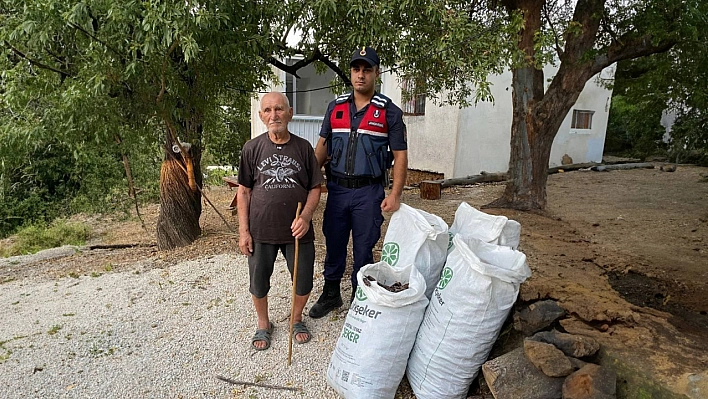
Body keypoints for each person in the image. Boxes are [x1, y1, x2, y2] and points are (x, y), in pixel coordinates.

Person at [309, 46, 408, 319]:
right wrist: (307, 182)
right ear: (351, 73)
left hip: (369, 191)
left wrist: (395, 193)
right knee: (334, 243)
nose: (361, 75)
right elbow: (322, 147)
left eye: (367, 69)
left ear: (377, 73)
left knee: (364, 246)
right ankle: (331, 293)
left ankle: (360, 295)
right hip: (338, 190)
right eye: (356, 69)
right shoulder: (335, 107)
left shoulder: (390, 112)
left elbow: (400, 157)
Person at [237, 92, 323, 350]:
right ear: (261, 116)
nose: (274, 115)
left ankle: (296, 319)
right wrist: (244, 231)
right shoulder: (251, 148)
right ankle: (264, 324)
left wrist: (306, 217)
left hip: (298, 230)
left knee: (304, 278)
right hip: (261, 229)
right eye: (268, 110)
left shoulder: (303, 148)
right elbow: (243, 191)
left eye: (279, 109)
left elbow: (315, 188)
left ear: (290, 112)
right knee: (259, 280)